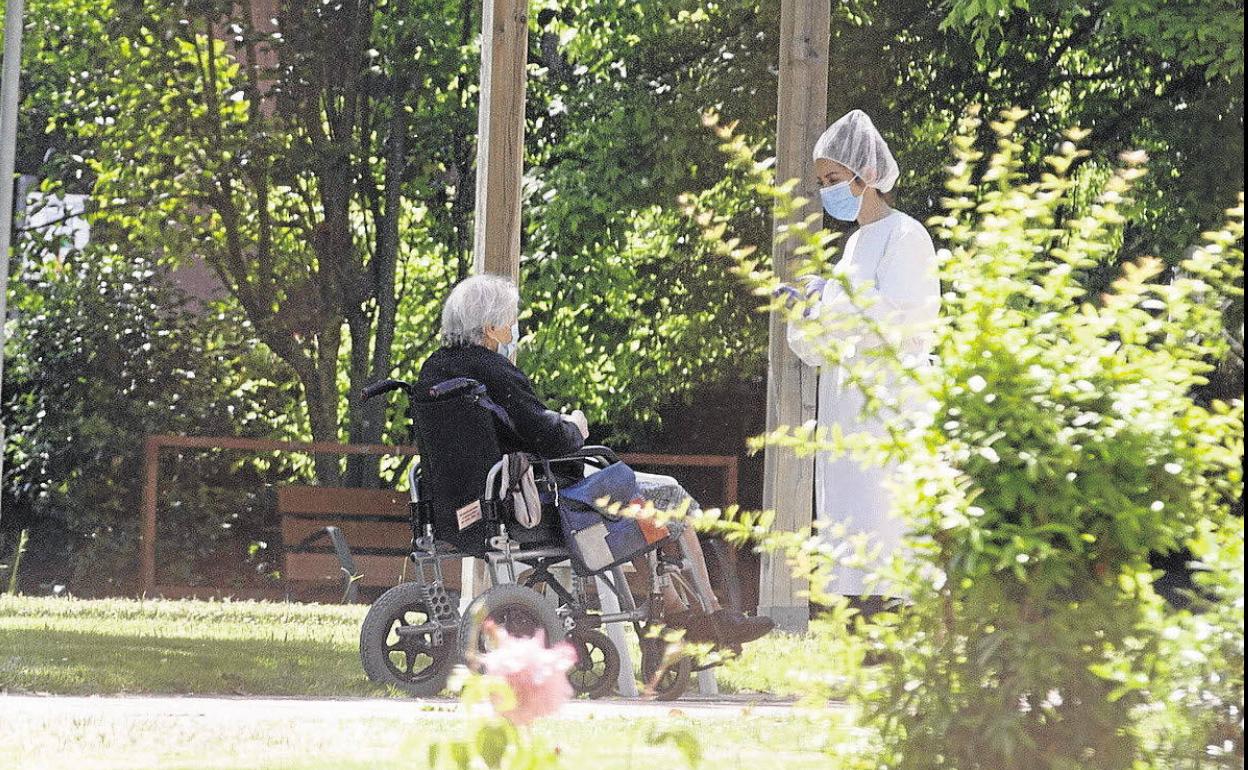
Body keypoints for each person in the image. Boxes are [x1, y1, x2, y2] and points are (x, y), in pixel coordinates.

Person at [420, 274, 774, 647]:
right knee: (668, 494)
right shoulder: (492, 369)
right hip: (529, 507)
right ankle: (710, 616)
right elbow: (547, 436)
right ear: (491, 327)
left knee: (637, 499)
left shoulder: (433, 371)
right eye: (509, 320)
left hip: (458, 509)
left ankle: (677, 610)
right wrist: (574, 426)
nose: (513, 328)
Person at [786, 109, 941, 609]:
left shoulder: (906, 236)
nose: (827, 190)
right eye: (822, 181)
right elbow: (827, 337)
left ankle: (892, 631)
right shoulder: (854, 245)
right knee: (851, 538)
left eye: (834, 179)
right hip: (846, 414)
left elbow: (901, 317)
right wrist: (807, 311)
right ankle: (860, 628)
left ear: (867, 175)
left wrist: (832, 296)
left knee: (887, 529)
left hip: (889, 411)